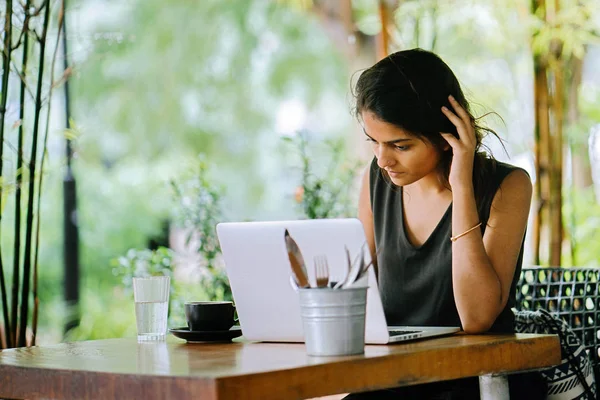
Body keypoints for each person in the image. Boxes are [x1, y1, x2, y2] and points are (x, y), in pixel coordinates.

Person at [345, 49, 547, 399]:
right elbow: (359, 294)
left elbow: (476, 318)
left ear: (446, 134)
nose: (383, 160)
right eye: (374, 142)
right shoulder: (375, 182)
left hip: (475, 379)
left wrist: (462, 185)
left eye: (400, 145)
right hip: (396, 377)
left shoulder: (509, 186)